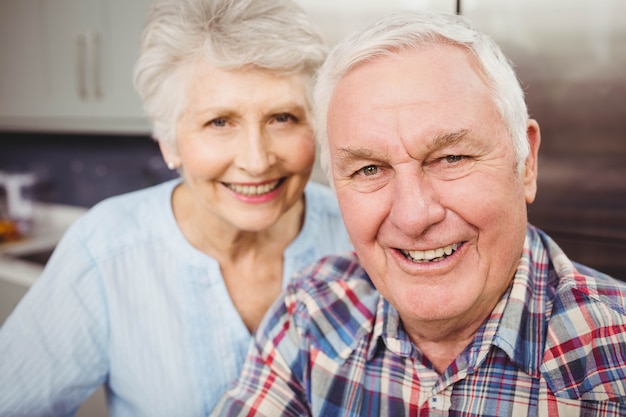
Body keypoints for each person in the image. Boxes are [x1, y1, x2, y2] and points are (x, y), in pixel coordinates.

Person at [211, 10, 626, 416]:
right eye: (369, 169)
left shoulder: (615, 356)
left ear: (526, 163)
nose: (413, 216)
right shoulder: (311, 315)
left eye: (451, 157)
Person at [0, 0, 353, 415]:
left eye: (283, 117)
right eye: (219, 121)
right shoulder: (105, 250)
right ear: (168, 141)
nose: (256, 160)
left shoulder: (356, 232)